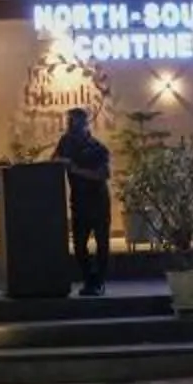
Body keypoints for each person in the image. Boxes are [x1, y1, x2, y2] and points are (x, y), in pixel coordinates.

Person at [54, 102, 112, 296]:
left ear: (84, 123)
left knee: (102, 244)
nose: (70, 125)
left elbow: (103, 175)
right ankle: (89, 280)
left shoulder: (98, 148)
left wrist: (76, 170)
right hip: (78, 202)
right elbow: (54, 160)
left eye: (73, 121)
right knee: (79, 246)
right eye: (68, 121)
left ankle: (100, 282)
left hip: (98, 202)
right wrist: (60, 161)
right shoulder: (65, 142)